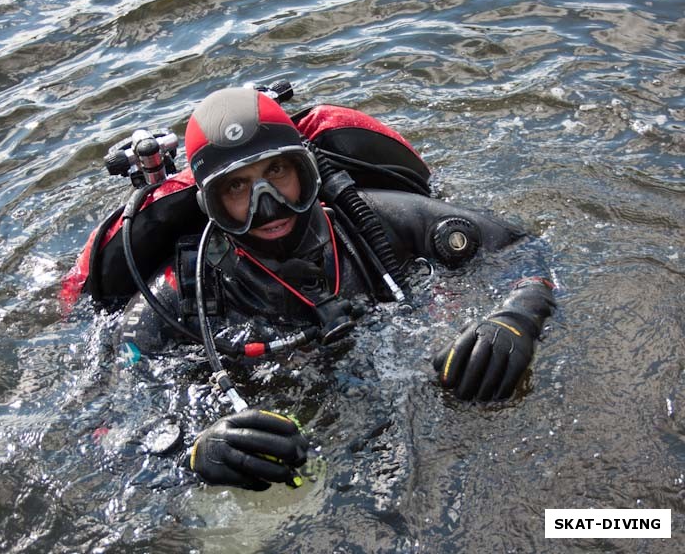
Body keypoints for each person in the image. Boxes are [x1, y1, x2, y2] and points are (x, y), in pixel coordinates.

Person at [95, 86, 556, 491]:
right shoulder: (179, 291)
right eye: (237, 187)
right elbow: (112, 422)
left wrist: (518, 315)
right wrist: (191, 454)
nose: (267, 204)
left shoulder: (377, 221)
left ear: (306, 171)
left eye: (277, 172)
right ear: (211, 204)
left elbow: (524, 249)